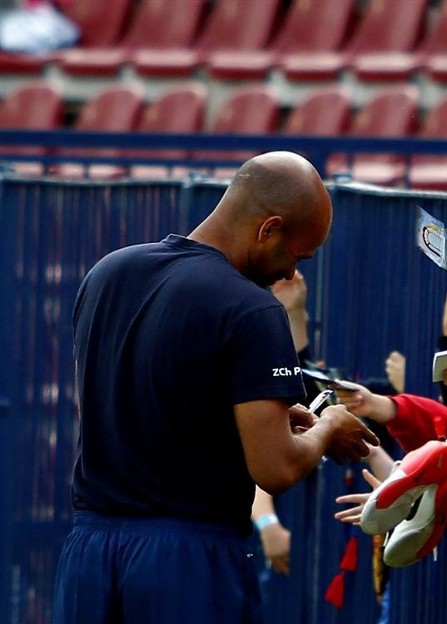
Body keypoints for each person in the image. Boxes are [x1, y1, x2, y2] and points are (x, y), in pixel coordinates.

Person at [52, 151, 379, 624]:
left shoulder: (107, 273)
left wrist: (248, 419)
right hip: (188, 561)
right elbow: (277, 469)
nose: (290, 274)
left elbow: (120, 404)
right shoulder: (252, 309)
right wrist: (328, 426)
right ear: (269, 228)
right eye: (294, 256)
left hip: (88, 554)